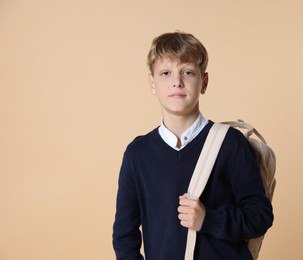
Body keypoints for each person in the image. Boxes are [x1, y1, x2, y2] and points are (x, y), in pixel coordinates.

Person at [112, 31, 273, 260]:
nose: (177, 81)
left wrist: (208, 219)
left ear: (203, 82)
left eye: (187, 72)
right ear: (152, 83)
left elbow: (260, 216)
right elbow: (124, 235)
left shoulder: (230, 143)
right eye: (166, 73)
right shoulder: (138, 154)